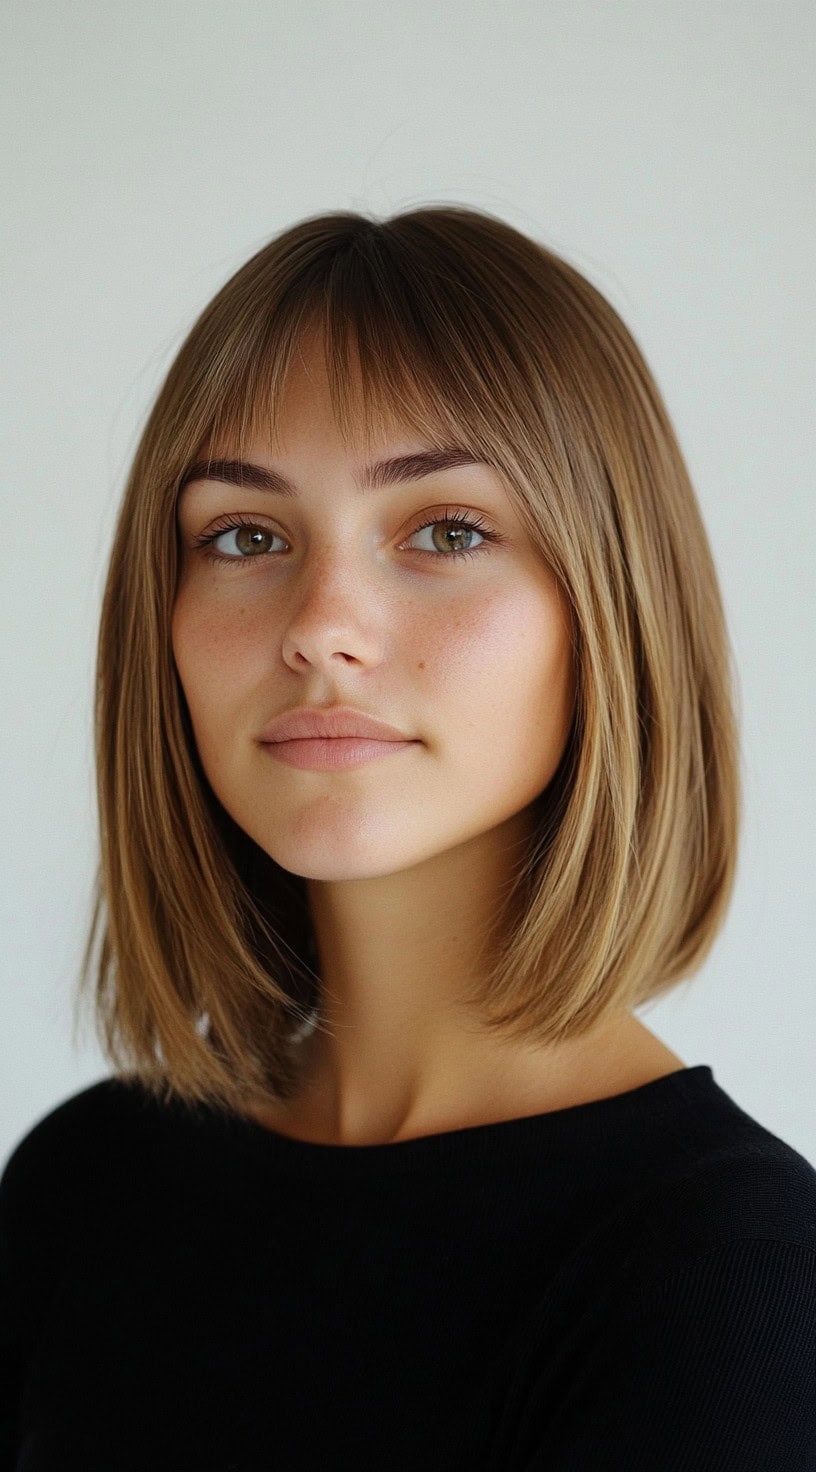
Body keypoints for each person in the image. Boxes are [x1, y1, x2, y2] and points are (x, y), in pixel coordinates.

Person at [1, 205, 814, 1469]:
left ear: (610, 605)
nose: (322, 626)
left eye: (446, 530)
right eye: (246, 536)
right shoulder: (80, 1182)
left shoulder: (730, 1279)